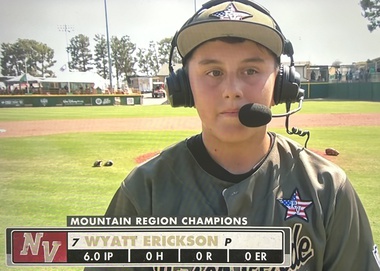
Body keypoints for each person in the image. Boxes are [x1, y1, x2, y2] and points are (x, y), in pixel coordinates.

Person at [86, 0, 380, 270]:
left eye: (251, 70)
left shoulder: (327, 189)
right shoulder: (144, 191)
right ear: (183, 87)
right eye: (213, 72)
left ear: (282, 84)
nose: (232, 89)